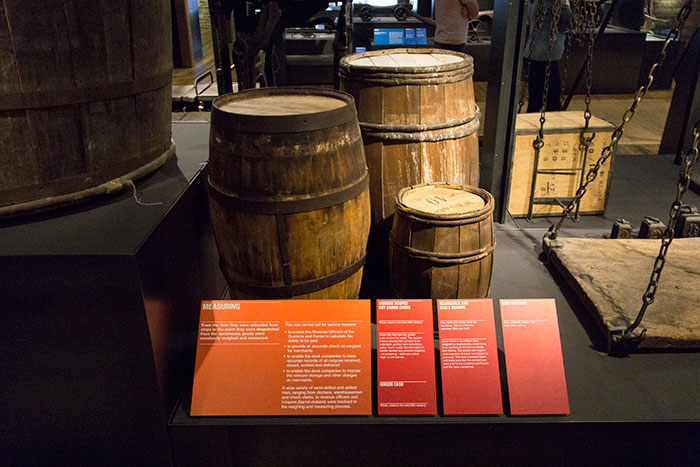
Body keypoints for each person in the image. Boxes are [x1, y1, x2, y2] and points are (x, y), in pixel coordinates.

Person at [524, 0, 572, 113]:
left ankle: (531, 124)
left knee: (536, 99)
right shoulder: (554, 2)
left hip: (535, 53)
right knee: (552, 101)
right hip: (544, 56)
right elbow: (570, 19)